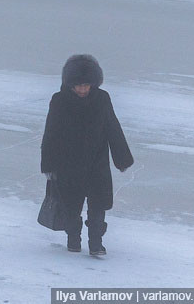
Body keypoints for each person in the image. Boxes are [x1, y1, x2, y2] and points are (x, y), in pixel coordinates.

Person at [40, 54, 133, 256]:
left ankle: (96, 244)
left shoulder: (102, 99)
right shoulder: (59, 101)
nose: (83, 89)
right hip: (67, 165)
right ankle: (73, 240)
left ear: (94, 83)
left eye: (86, 85)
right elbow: (51, 134)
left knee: (98, 205)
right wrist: (48, 165)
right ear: (70, 84)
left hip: (96, 163)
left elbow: (112, 128)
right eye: (78, 85)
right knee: (71, 206)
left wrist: (122, 159)